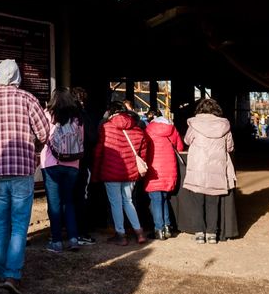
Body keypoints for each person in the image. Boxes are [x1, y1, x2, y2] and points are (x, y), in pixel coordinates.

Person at [0, 59, 50, 294]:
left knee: (0, 224)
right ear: (17, 77)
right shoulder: (28, 99)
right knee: (19, 225)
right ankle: (12, 275)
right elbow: (45, 133)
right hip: (23, 170)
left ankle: (0, 272)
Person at [93, 101, 150, 245]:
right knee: (128, 201)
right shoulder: (137, 129)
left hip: (110, 172)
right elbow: (143, 152)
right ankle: (139, 232)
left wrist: (95, 172)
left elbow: (99, 152)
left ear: (111, 112)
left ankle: (121, 235)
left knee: (116, 203)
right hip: (130, 172)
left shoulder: (106, 128)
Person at [182, 97, 236, 244]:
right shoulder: (224, 126)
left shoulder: (194, 125)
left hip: (198, 169)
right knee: (213, 203)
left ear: (200, 110)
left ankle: (200, 233)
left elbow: (186, 141)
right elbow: (230, 147)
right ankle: (212, 234)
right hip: (217, 169)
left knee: (198, 202)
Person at [40, 88, 84, 253]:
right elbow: (82, 140)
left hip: (51, 163)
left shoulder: (47, 114)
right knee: (69, 201)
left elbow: (41, 136)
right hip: (73, 164)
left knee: (54, 203)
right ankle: (73, 239)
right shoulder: (77, 118)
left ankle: (56, 241)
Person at [145, 109, 184, 239]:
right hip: (169, 168)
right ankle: (167, 227)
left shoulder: (149, 129)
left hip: (154, 169)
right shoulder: (172, 129)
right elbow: (180, 147)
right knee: (163, 198)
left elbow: (144, 148)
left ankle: (158, 230)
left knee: (156, 199)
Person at [71, 86, 99, 245]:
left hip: (62, 161)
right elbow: (92, 136)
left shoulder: (63, 114)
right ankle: (81, 232)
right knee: (81, 196)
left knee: (66, 198)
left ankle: (64, 231)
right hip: (82, 160)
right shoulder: (83, 116)